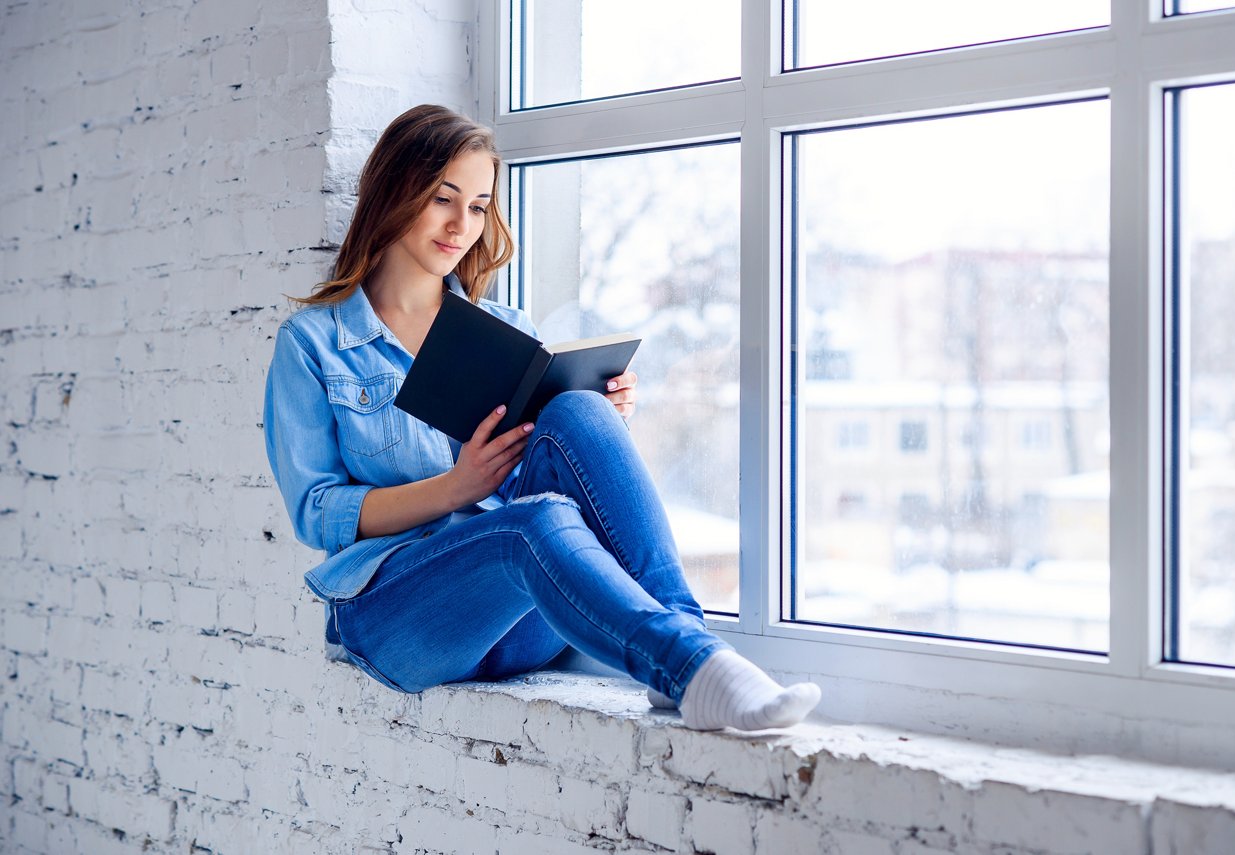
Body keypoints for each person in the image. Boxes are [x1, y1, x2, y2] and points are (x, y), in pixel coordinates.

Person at [262, 104, 820, 731]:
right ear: (395, 192)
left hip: (520, 618)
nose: (461, 225)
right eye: (443, 199)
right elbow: (317, 513)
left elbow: (553, 465)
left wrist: (605, 419)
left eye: (478, 206)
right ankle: (694, 667)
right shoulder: (314, 343)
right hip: (399, 615)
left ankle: (684, 650)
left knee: (579, 410)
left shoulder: (507, 332)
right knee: (538, 521)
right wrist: (454, 490)